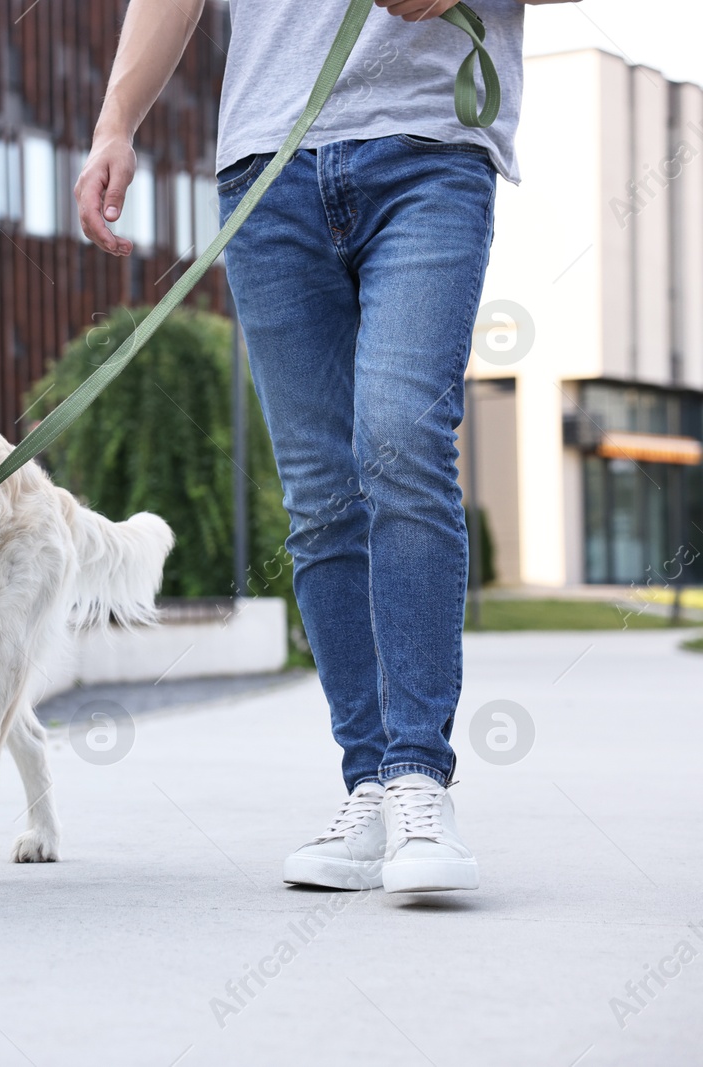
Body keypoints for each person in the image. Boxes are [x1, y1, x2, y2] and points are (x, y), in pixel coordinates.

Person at [75, 0, 576, 893]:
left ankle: (421, 778)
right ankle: (370, 785)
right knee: (320, 496)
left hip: (427, 144)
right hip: (267, 165)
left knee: (402, 443)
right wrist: (117, 120)